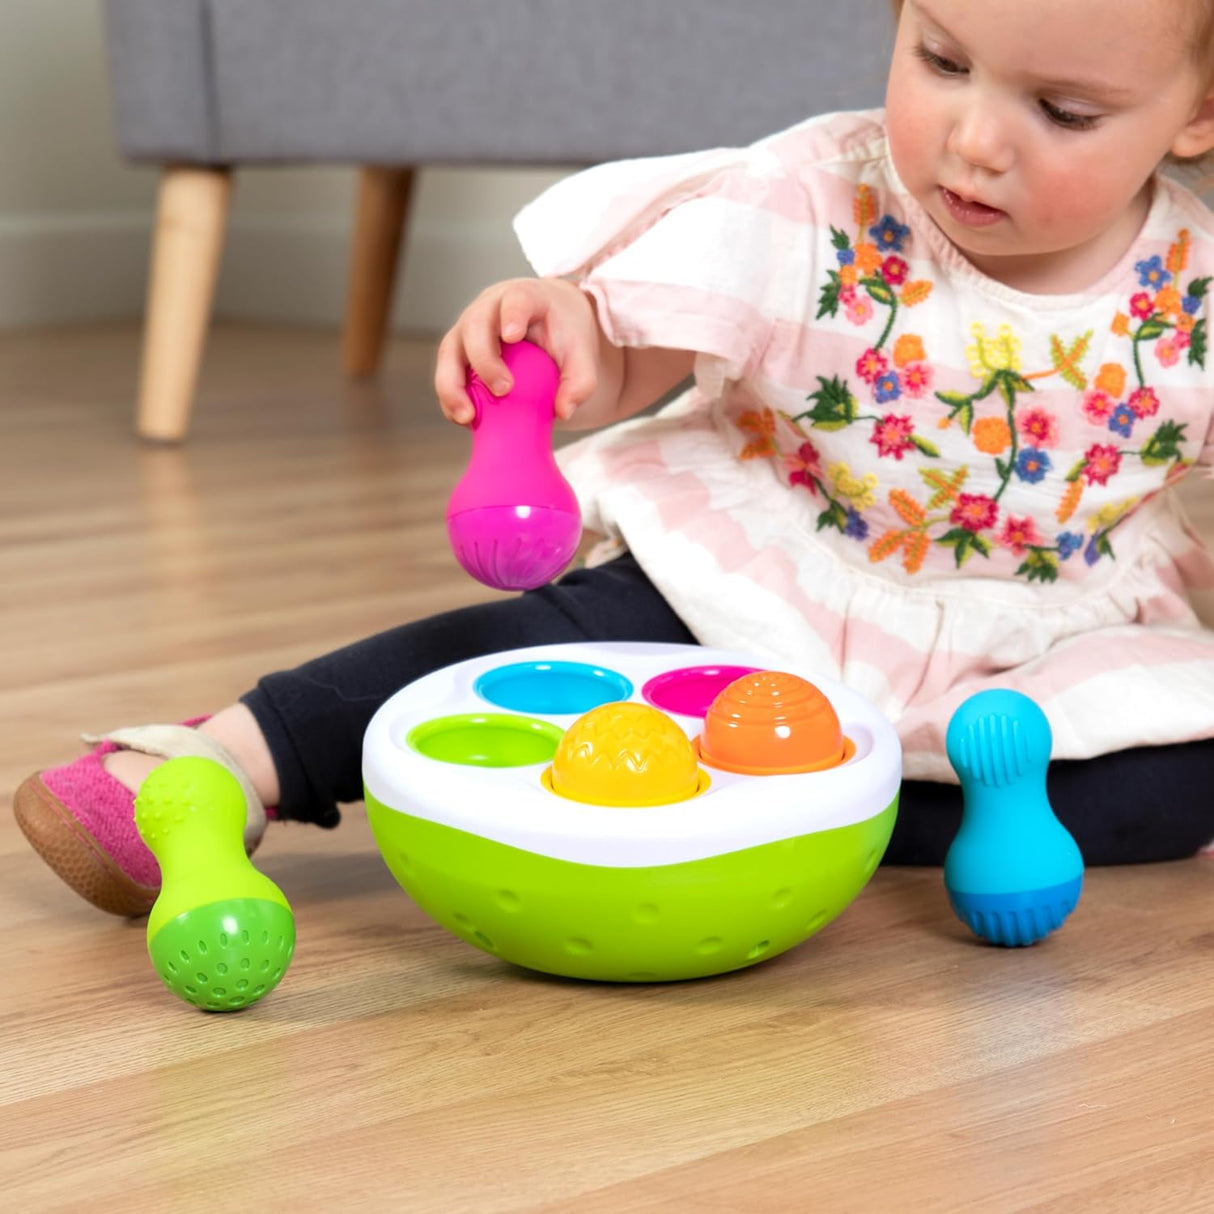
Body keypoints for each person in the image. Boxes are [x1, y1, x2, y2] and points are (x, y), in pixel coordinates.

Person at [15, 0, 1214, 916]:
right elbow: (641, 343)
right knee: (531, 653)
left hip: (1042, 640)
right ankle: (227, 759)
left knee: (1176, 780)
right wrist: (566, 331)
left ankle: (807, 808)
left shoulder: (1197, 285)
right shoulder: (817, 200)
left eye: (1062, 112)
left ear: (1195, 113)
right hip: (769, 576)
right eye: (940, 59)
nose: (972, 139)